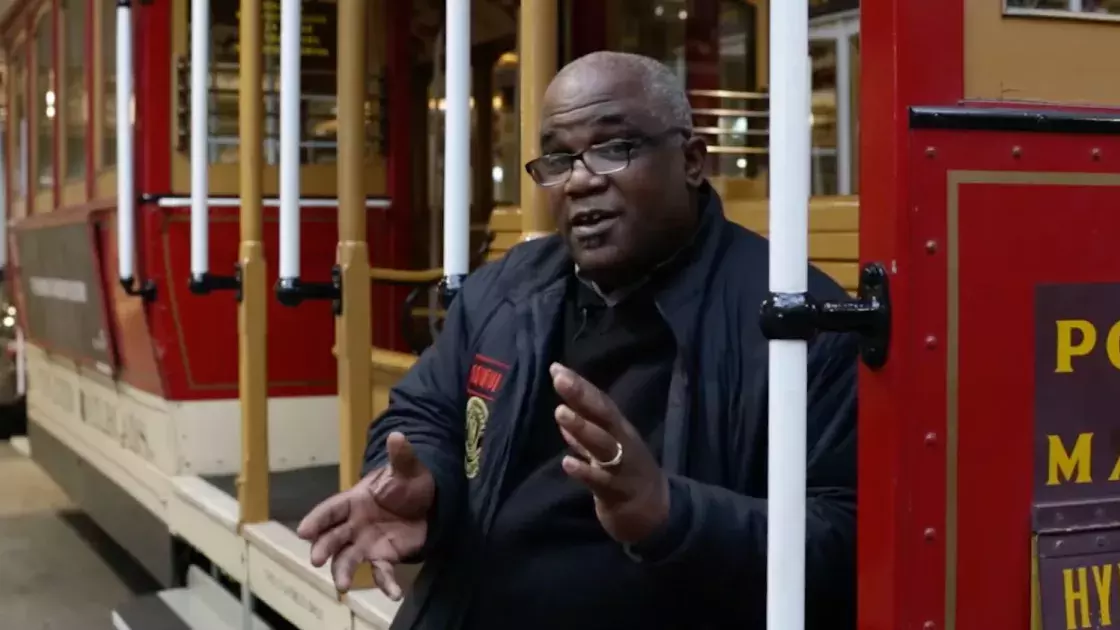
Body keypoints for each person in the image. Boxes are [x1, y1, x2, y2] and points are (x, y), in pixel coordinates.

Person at [298, 50, 857, 630]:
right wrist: (429, 488)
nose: (582, 180)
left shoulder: (795, 321)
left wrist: (669, 513)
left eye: (615, 149)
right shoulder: (507, 289)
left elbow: (845, 539)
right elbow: (423, 412)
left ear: (692, 161)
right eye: (559, 159)